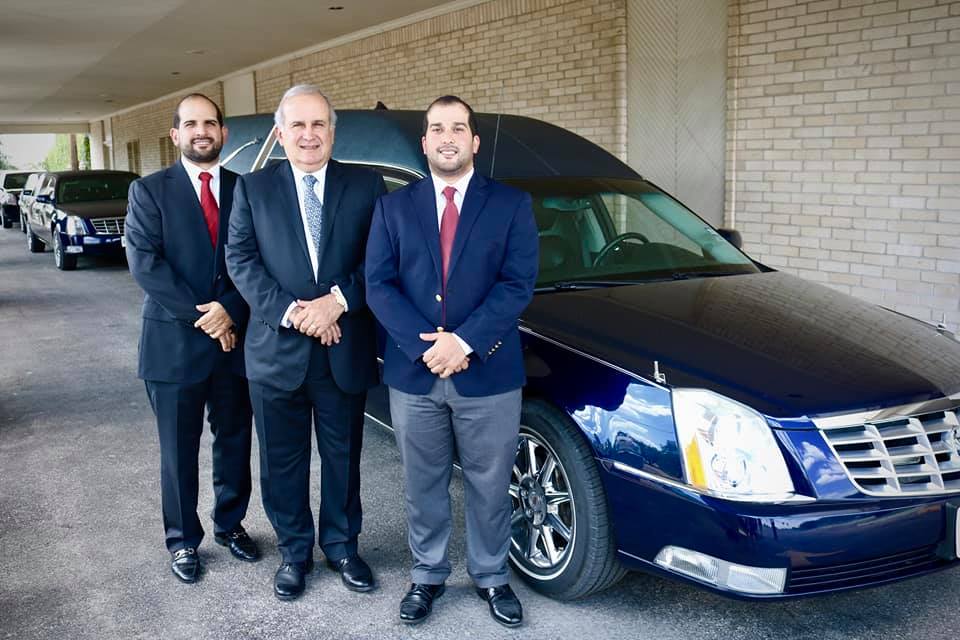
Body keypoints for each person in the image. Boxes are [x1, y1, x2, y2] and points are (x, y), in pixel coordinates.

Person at [365, 95, 539, 627]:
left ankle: (491, 576)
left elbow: (517, 285)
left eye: (458, 128)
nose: (447, 137)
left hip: (488, 372)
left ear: (474, 141)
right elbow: (379, 284)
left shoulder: (510, 205)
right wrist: (426, 347)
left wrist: (462, 341)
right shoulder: (394, 207)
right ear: (424, 142)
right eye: (437, 128)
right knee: (423, 481)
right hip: (415, 376)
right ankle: (428, 574)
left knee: (490, 483)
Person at [225, 84, 386, 601]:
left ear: (332, 131)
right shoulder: (252, 189)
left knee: (342, 457)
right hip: (277, 351)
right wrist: (296, 313)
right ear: (281, 132)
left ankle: (341, 547)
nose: (309, 135)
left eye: (319, 124)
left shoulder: (366, 186)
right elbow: (241, 261)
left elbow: (382, 261)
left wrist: (336, 302)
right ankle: (295, 551)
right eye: (298, 125)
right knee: (282, 461)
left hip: (343, 349)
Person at [125, 93, 259, 584]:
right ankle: (183, 540)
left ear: (223, 133)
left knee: (234, 441)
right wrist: (208, 317)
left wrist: (231, 310)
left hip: (236, 342)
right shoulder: (149, 190)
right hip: (173, 345)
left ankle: (231, 524)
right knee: (178, 449)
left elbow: (256, 261)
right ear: (176, 134)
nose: (201, 131)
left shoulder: (247, 188)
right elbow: (146, 264)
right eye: (191, 124)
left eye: (211, 123)